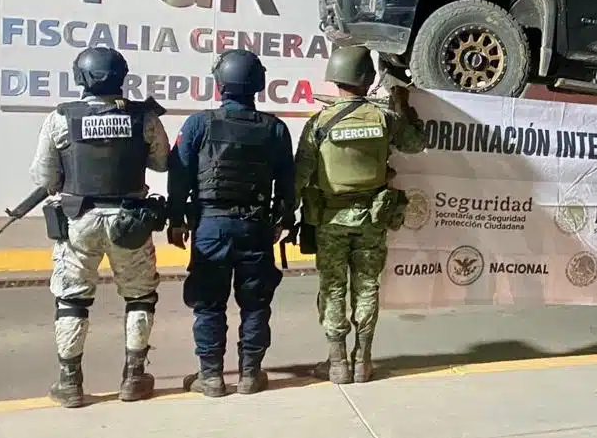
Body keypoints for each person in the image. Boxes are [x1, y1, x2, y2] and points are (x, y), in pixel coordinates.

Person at [31, 47, 171, 408]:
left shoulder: (61, 118)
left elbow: (45, 176)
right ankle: (134, 377)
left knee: (72, 300)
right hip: (130, 222)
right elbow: (161, 162)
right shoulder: (143, 118)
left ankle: (69, 382)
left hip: (79, 222)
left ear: (81, 78)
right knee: (140, 296)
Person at [167, 50, 296, 397]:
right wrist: (283, 219)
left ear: (219, 83)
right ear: (258, 83)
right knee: (255, 302)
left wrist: (177, 218)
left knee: (209, 302)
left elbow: (179, 175)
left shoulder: (198, 124)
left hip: (211, 226)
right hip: (255, 226)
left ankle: (210, 377)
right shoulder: (275, 129)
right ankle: (250, 375)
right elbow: (287, 182)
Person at [294, 46, 425, 383]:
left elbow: (299, 175)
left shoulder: (319, 124)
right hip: (372, 219)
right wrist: (405, 107)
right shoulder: (384, 118)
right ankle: (363, 361)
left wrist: (284, 215)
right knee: (367, 289)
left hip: (331, 221)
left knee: (333, 289)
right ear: (368, 80)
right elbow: (414, 144)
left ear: (334, 77)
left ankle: (337, 363)